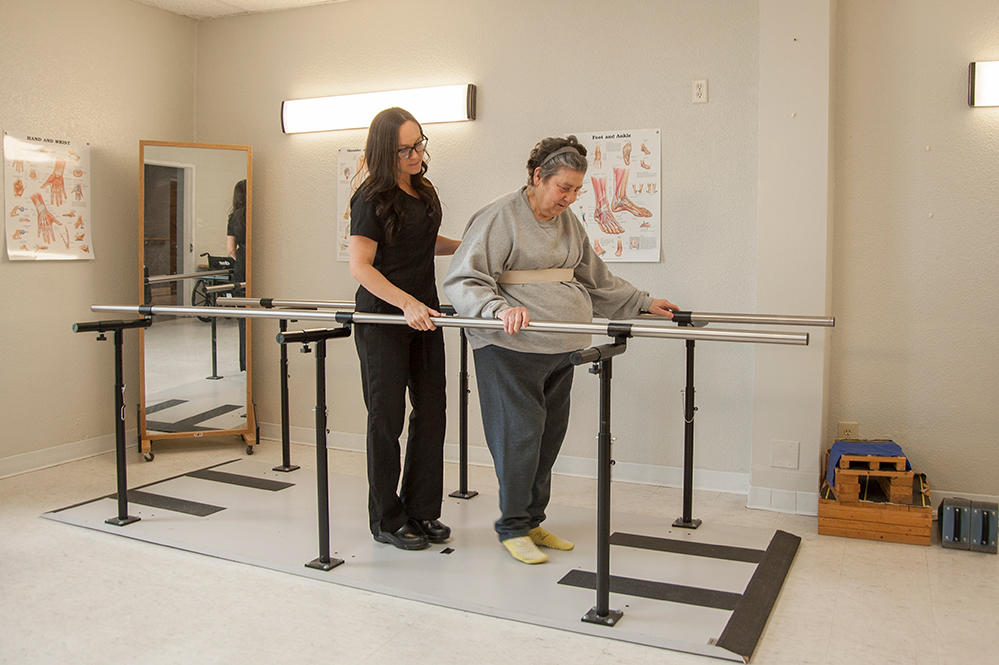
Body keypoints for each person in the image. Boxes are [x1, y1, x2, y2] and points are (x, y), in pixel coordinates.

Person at [442, 136, 677, 564]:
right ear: (538, 177)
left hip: (561, 347)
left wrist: (642, 301)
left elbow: (595, 277)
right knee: (520, 437)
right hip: (509, 347)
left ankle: (532, 521)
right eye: (562, 188)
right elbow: (464, 279)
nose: (569, 199)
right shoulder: (499, 217)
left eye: (576, 191)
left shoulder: (569, 224)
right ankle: (512, 526)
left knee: (548, 438)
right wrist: (497, 309)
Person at [349, 107, 460, 551]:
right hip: (384, 319)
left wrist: (471, 244)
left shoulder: (423, 189)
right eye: (405, 149)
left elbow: (424, 242)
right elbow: (361, 267)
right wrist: (406, 302)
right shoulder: (369, 198)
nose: (416, 155)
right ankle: (386, 519)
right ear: (384, 151)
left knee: (432, 412)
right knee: (386, 420)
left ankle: (419, 509)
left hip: (424, 316)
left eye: (420, 144)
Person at [226, 179, 247, 371]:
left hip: (242, 265)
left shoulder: (234, 217)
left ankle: (245, 361)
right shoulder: (258, 213)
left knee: (243, 318)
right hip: (258, 263)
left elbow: (230, 249)